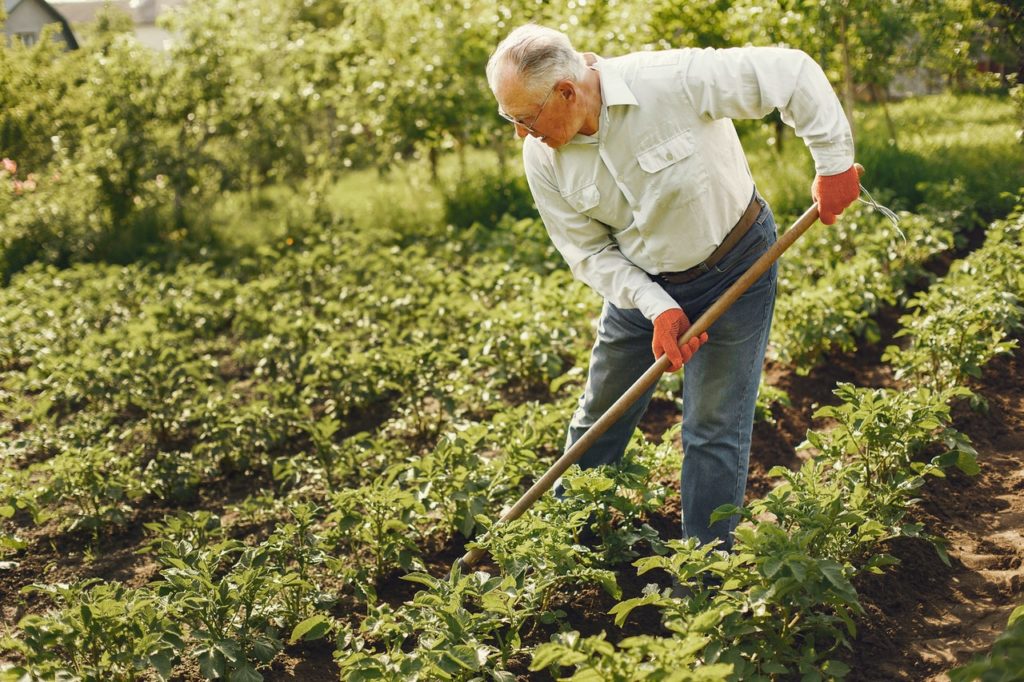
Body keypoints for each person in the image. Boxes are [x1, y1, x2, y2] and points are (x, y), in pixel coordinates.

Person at [485, 24, 861, 551]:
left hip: (734, 266)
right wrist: (657, 307)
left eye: (525, 118)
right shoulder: (542, 158)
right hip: (639, 290)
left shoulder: (669, 80)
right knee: (599, 419)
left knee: (711, 427)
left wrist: (834, 164)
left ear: (567, 92)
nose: (521, 134)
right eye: (511, 119)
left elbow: (790, 73)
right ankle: (568, 549)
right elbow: (587, 252)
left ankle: (703, 569)